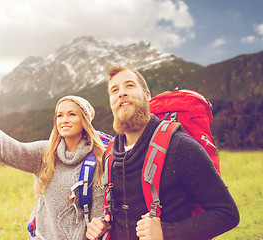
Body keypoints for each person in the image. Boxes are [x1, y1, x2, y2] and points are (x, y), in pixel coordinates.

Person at [86, 66, 240, 240]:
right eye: (115, 90)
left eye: (129, 85)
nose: (121, 93)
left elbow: (227, 213)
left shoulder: (180, 146)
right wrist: (102, 224)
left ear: (147, 95)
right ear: (111, 102)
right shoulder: (111, 154)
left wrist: (166, 233)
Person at [0, 95, 107, 240]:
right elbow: (16, 151)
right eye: (60, 115)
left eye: (72, 114)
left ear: (84, 120)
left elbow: (98, 214)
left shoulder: (96, 160)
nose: (64, 120)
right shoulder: (45, 153)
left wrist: (100, 225)